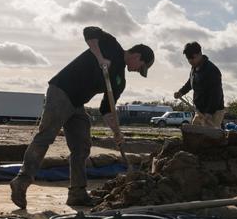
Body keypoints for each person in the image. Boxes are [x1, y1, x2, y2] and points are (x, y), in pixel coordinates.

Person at [9, 27, 154, 209]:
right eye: (140, 67)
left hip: (77, 104)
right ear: (137, 56)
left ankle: (77, 193)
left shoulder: (120, 80)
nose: (137, 71)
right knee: (46, 136)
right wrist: (100, 57)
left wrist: (117, 133)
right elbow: (89, 31)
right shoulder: (111, 45)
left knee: (82, 146)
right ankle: (21, 181)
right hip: (62, 91)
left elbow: (107, 109)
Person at [173, 42, 224, 129]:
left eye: (193, 58)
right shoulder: (194, 68)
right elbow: (190, 82)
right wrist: (181, 92)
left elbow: (216, 94)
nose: (190, 61)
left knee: (209, 138)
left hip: (214, 111)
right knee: (194, 133)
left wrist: (209, 112)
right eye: (188, 58)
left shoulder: (212, 70)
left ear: (200, 54)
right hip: (200, 110)